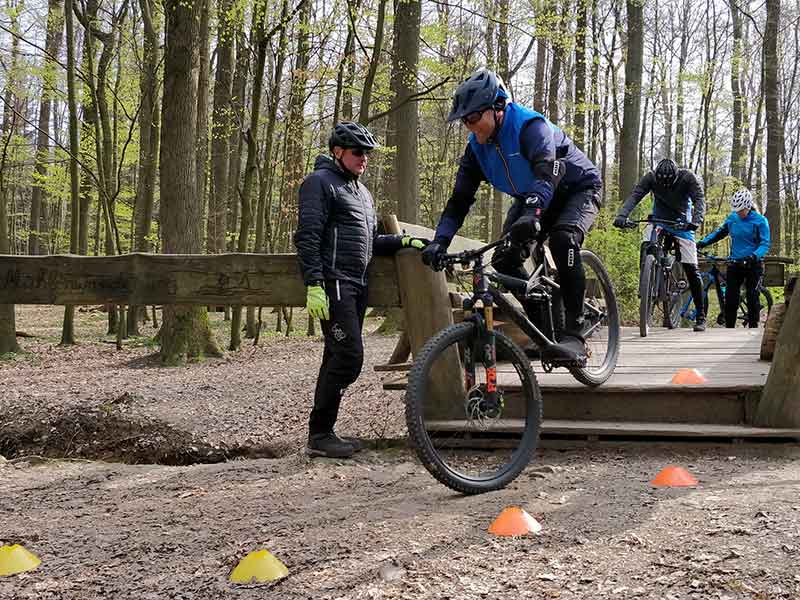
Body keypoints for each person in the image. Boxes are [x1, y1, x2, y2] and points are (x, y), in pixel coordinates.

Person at [421, 69, 603, 361]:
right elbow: (459, 201)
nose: (469, 127)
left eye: (472, 118)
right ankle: (545, 331)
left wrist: (531, 213)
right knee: (505, 259)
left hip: (576, 188)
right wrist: (440, 241)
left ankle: (575, 335)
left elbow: (547, 171)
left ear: (497, 107)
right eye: (464, 121)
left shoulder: (530, 127)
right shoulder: (476, 150)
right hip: (532, 195)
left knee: (563, 240)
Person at [294, 121, 427, 458]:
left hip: (358, 285)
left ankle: (320, 434)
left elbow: (369, 241)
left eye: (367, 153)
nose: (364, 158)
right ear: (337, 152)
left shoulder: (362, 193)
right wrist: (313, 284)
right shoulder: (319, 183)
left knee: (335, 356)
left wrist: (402, 241)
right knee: (350, 358)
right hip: (334, 283)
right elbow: (307, 237)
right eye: (357, 152)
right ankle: (320, 433)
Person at [613, 158, 708, 332]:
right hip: (659, 220)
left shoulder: (688, 178)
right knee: (647, 242)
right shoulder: (650, 177)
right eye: (661, 183)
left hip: (682, 223)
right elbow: (635, 196)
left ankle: (701, 316)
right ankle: (647, 280)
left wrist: (696, 221)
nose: (664, 185)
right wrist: (622, 215)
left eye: (668, 183)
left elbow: (699, 200)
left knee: (691, 269)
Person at [697, 188, 770, 328]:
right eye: (736, 210)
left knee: (752, 296)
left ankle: (753, 328)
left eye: (741, 210)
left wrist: (754, 256)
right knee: (731, 299)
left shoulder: (760, 221)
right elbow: (719, 233)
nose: (738, 212)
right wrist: (703, 242)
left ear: (748, 206)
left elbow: (764, 243)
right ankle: (729, 329)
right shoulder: (733, 218)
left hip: (753, 264)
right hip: (735, 263)